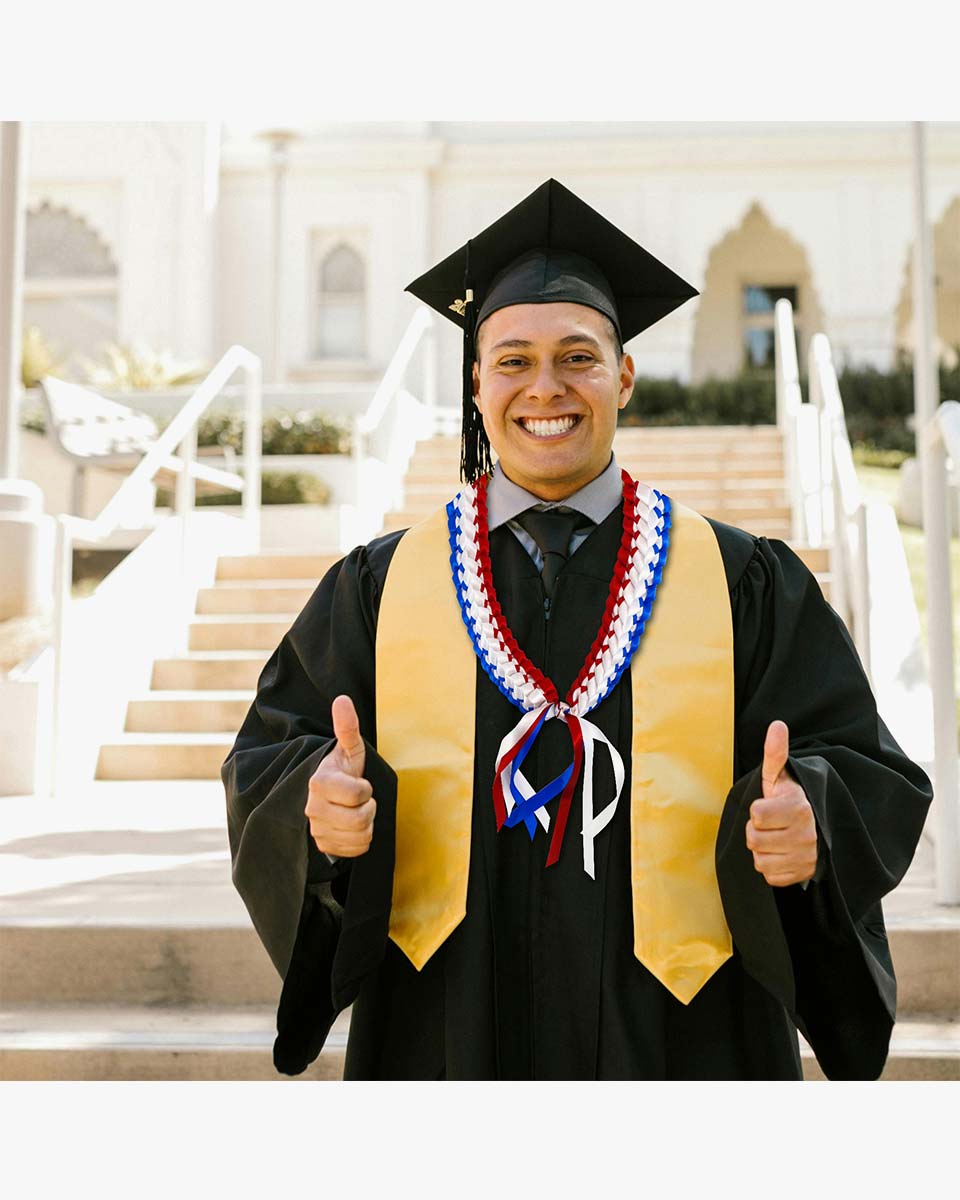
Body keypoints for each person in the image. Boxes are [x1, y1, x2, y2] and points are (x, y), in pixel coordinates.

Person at [222, 178, 933, 1080]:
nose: (544, 387)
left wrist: (812, 823)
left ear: (624, 376)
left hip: (683, 1038)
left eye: (579, 356)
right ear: (476, 384)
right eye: (512, 360)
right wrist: (313, 813)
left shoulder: (739, 579)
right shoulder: (381, 585)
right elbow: (272, 757)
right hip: (449, 1026)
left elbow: (862, 762)